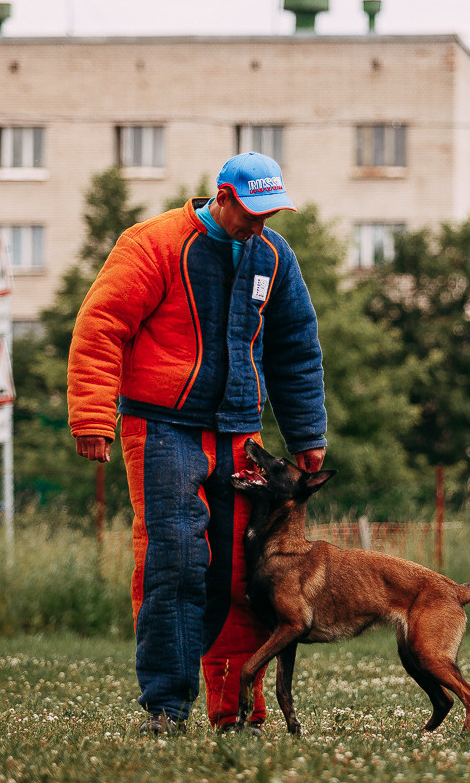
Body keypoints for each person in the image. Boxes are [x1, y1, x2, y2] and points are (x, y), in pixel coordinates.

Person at [68, 152, 327, 735]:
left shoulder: (274, 256)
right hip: (162, 428)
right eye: (252, 212)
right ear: (223, 197)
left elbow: (296, 350)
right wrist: (92, 417)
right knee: (175, 565)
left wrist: (308, 434)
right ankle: (166, 708)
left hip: (240, 432)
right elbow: (101, 326)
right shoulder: (152, 245)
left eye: (270, 213)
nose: (260, 224)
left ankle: (238, 713)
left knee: (244, 574)